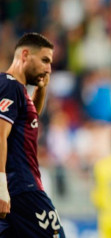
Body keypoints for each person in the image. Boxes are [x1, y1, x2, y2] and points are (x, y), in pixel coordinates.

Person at [0, 33, 66, 237]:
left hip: (15, 190)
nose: (49, 68)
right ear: (25, 55)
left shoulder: (18, 90)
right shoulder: (9, 86)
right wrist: (1, 185)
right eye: (45, 60)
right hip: (22, 189)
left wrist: (42, 88)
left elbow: (30, 118)